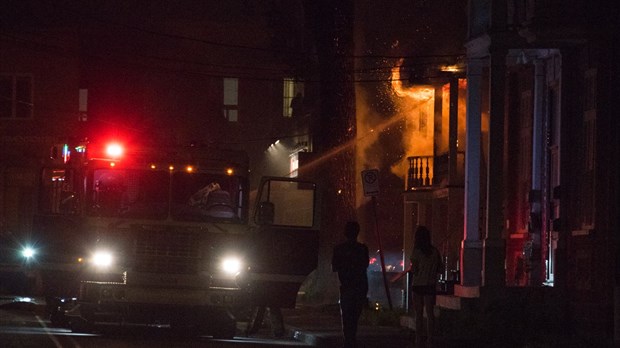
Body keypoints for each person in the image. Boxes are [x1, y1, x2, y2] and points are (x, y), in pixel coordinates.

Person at [332, 221, 369, 348]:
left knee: (347, 314)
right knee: (355, 315)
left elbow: (334, 267)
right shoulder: (362, 249)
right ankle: (351, 338)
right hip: (360, 286)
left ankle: (348, 339)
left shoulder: (339, 249)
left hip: (346, 285)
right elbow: (365, 265)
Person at [409, 225, 443, 347]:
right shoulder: (435, 252)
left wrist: (415, 269)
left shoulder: (416, 252)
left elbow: (414, 270)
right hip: (430, 285)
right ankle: (430, 339)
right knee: (429, 313)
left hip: (418, 285)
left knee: (418, 314)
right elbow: (440, 268)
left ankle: (418, 339)